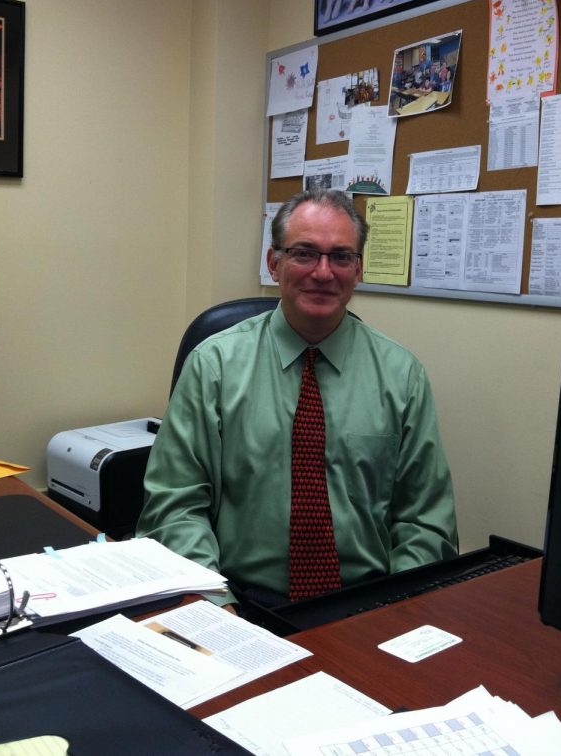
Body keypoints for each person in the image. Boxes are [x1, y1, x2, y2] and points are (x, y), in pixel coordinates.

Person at [137, 190, 457, 609]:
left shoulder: (403, 376)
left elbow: (425, 521)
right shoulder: (214, 366)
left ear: (358, 270)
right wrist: (218, 605)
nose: (323, 273)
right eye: (304, 253)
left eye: (341, 257)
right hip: (239, 598)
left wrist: (394, 607)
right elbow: (176, 505)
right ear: (274, 263)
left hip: (367, 601)